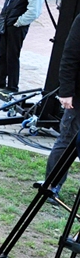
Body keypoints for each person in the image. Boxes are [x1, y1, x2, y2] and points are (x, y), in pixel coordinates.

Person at [44, 14, 80, 202]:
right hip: (78, 97)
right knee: (67, 140)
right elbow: (70, 56)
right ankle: (52, 185)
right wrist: (66, 92)